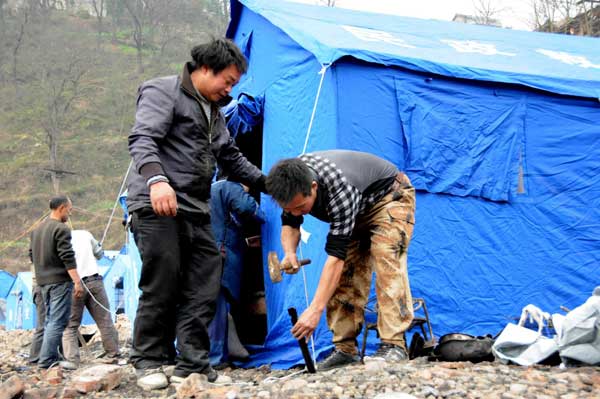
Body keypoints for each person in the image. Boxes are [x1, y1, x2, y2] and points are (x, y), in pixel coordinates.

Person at [126, 38, 267, 389]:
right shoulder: (163, 91)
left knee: (205, 284)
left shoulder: (214, 112)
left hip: (196, 207)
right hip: (157, 202)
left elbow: (231, 158)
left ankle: (192, 362)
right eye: (228, 81)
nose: (230, 89)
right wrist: (157, 180)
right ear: (205, 69)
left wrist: (269, 184)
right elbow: (143, 139)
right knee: (163, 281)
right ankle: (148, 359)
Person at [266, 150, 416, 370]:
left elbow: (335, 259)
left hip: (390, 197)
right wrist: (290, 253)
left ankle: (394, 345)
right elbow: (290, 223)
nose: (297, 212)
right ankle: (345, 350)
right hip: (358, 208)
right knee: (348, 275)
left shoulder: (340, 190)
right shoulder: (290, 184)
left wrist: (315, 310)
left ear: (314, 187)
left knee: (387, 260)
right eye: (290, 208)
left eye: (301, 207)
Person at [209, 180, 265, 362]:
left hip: (208, 253)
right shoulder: (230, 187)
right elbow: (247, 207)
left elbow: (223, 224)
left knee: (209, 304)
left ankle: (211, 353)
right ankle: (216, 357)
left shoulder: (211, 189)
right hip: (222, 254)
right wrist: (265, 214)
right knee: (219, 306)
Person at [29, 195, 84, 369]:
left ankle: (49, 357)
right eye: (69, 209)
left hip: (42, 281)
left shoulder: (37, 230)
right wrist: (77, 282)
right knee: (58, 321)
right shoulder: (61, 229)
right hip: (59, 280)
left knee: (48, 320)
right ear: (61, 208)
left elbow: (31, 255)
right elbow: (67, 257)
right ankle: (47, 361)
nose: (70, 212)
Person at [61, 230, 119, 365]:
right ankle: (113, 353)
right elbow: (99, 254)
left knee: (70, 325)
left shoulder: (59, 239)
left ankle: (72, 360)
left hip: (73, 284)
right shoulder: (85, 234)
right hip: (94, 282)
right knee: (104, 320)